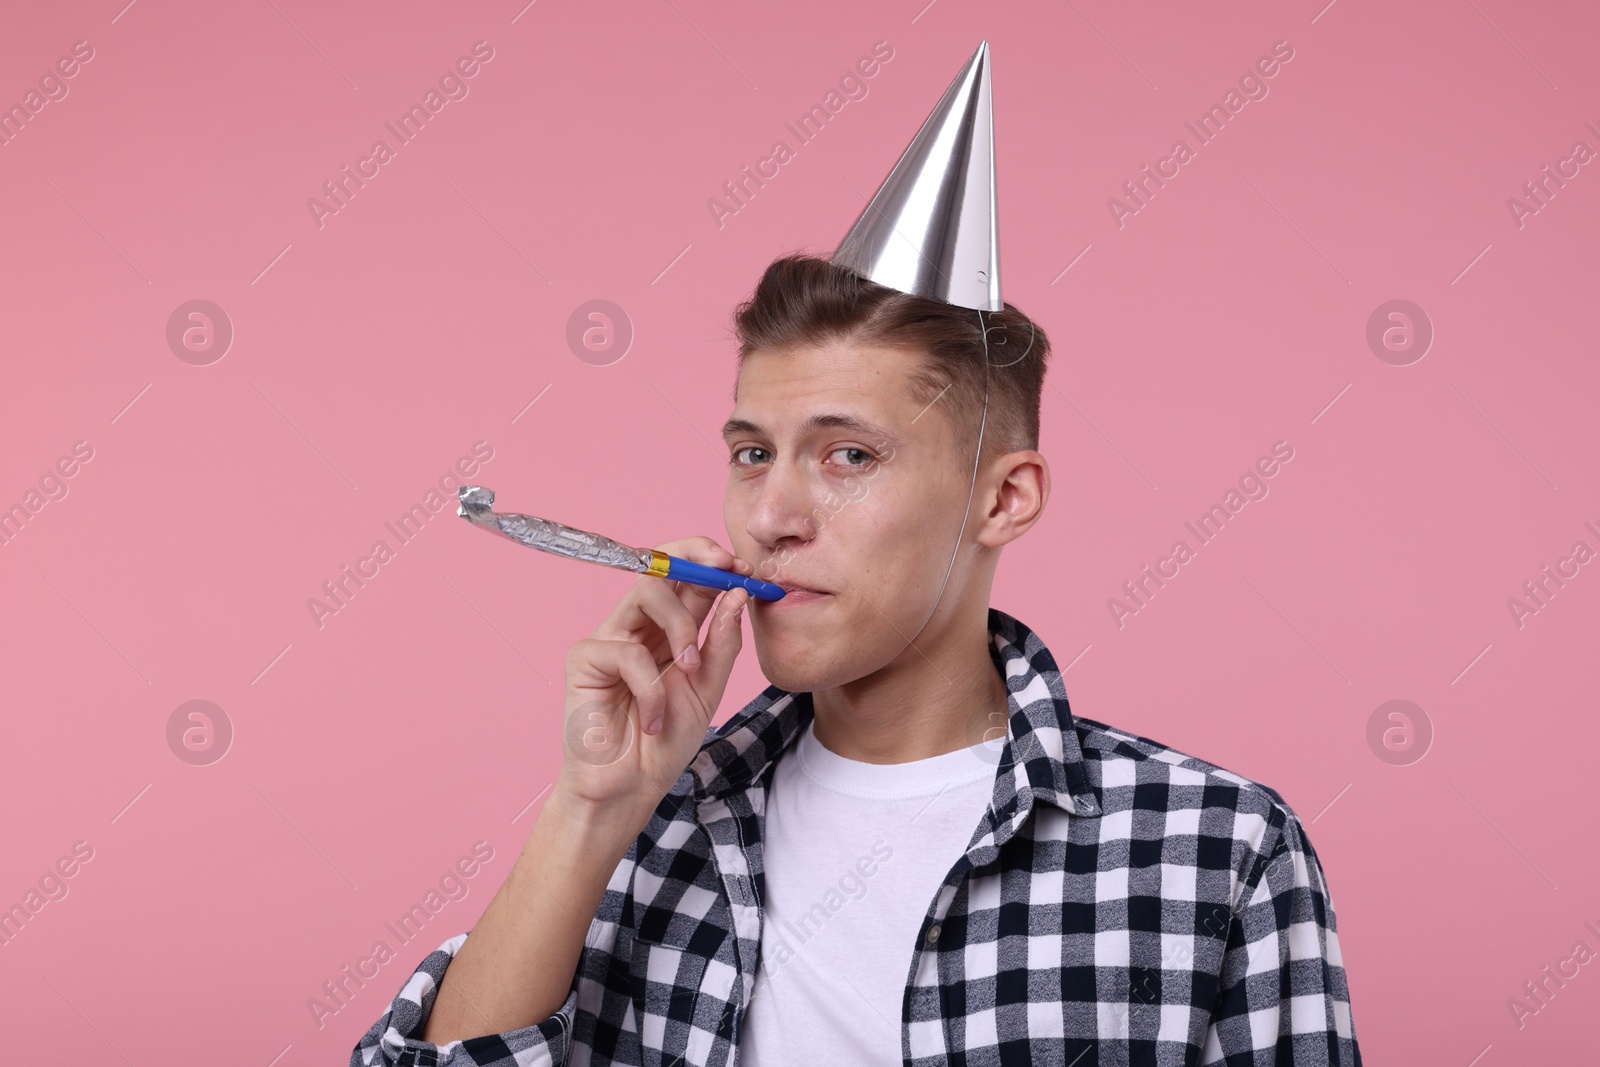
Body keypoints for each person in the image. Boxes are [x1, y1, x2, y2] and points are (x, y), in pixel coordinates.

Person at [351, 42, 1360, 1067]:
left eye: (848, 455)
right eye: (752, 453)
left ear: (1003, 498)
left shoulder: (1213, 848)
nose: (773, 513)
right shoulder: (645, 826)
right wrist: (586, 813)